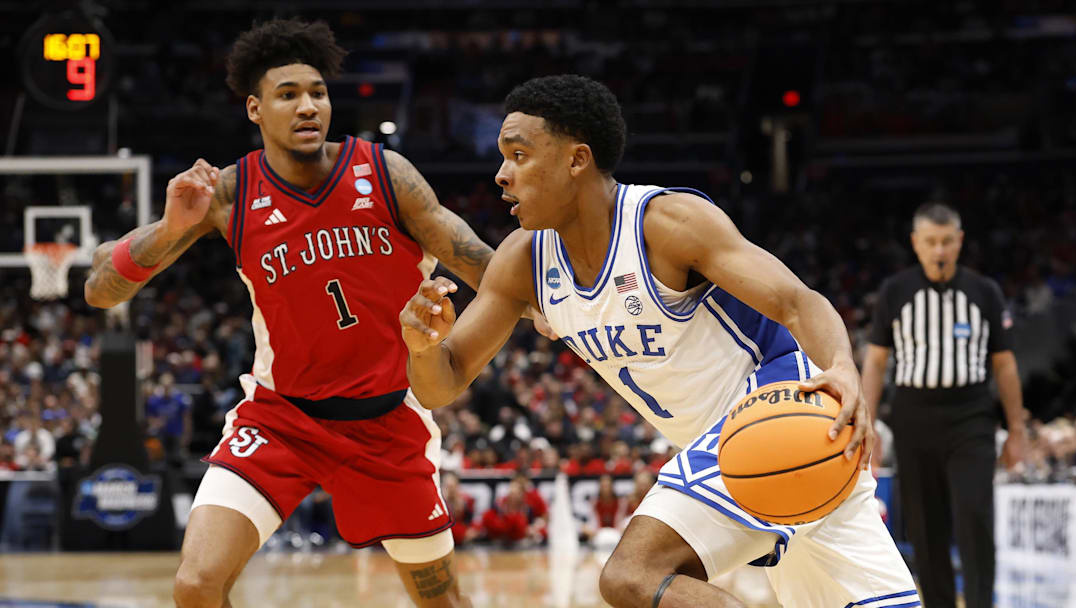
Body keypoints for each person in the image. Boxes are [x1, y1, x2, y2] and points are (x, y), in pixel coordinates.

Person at [399, 74, 917, 608]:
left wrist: (842, 367)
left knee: (632, 574)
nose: (501, 175)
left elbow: (796, 300)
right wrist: (422, 348)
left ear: (577, 160)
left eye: (520, 155)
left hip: (777, 413)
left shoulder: (665, 223)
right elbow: (445, 381)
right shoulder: (522, 262)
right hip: (743, 444)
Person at [83, 18, 549, 608]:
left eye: (318, 92)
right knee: (196, 585)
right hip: (281, 419)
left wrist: (559, 313)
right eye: (288, 95)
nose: (308, 107)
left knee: (441, 601)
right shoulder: (228, 196)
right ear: (255, 109)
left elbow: (483, 265)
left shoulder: (385, 173)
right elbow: (101, 288)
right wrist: (174, 227)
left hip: (386, 423)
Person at [862, 202, 1028, 608]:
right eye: (931, 242)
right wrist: (865, 424)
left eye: (947, 242)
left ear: (960, 242)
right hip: (913, 416)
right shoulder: (896, 291)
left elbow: (1004, 365)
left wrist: (1018, 430)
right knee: (925, 526)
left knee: (974, 515)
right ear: (916, 243)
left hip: (971, 414)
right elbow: (877, 361)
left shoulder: (984, 292)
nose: (940, 251)